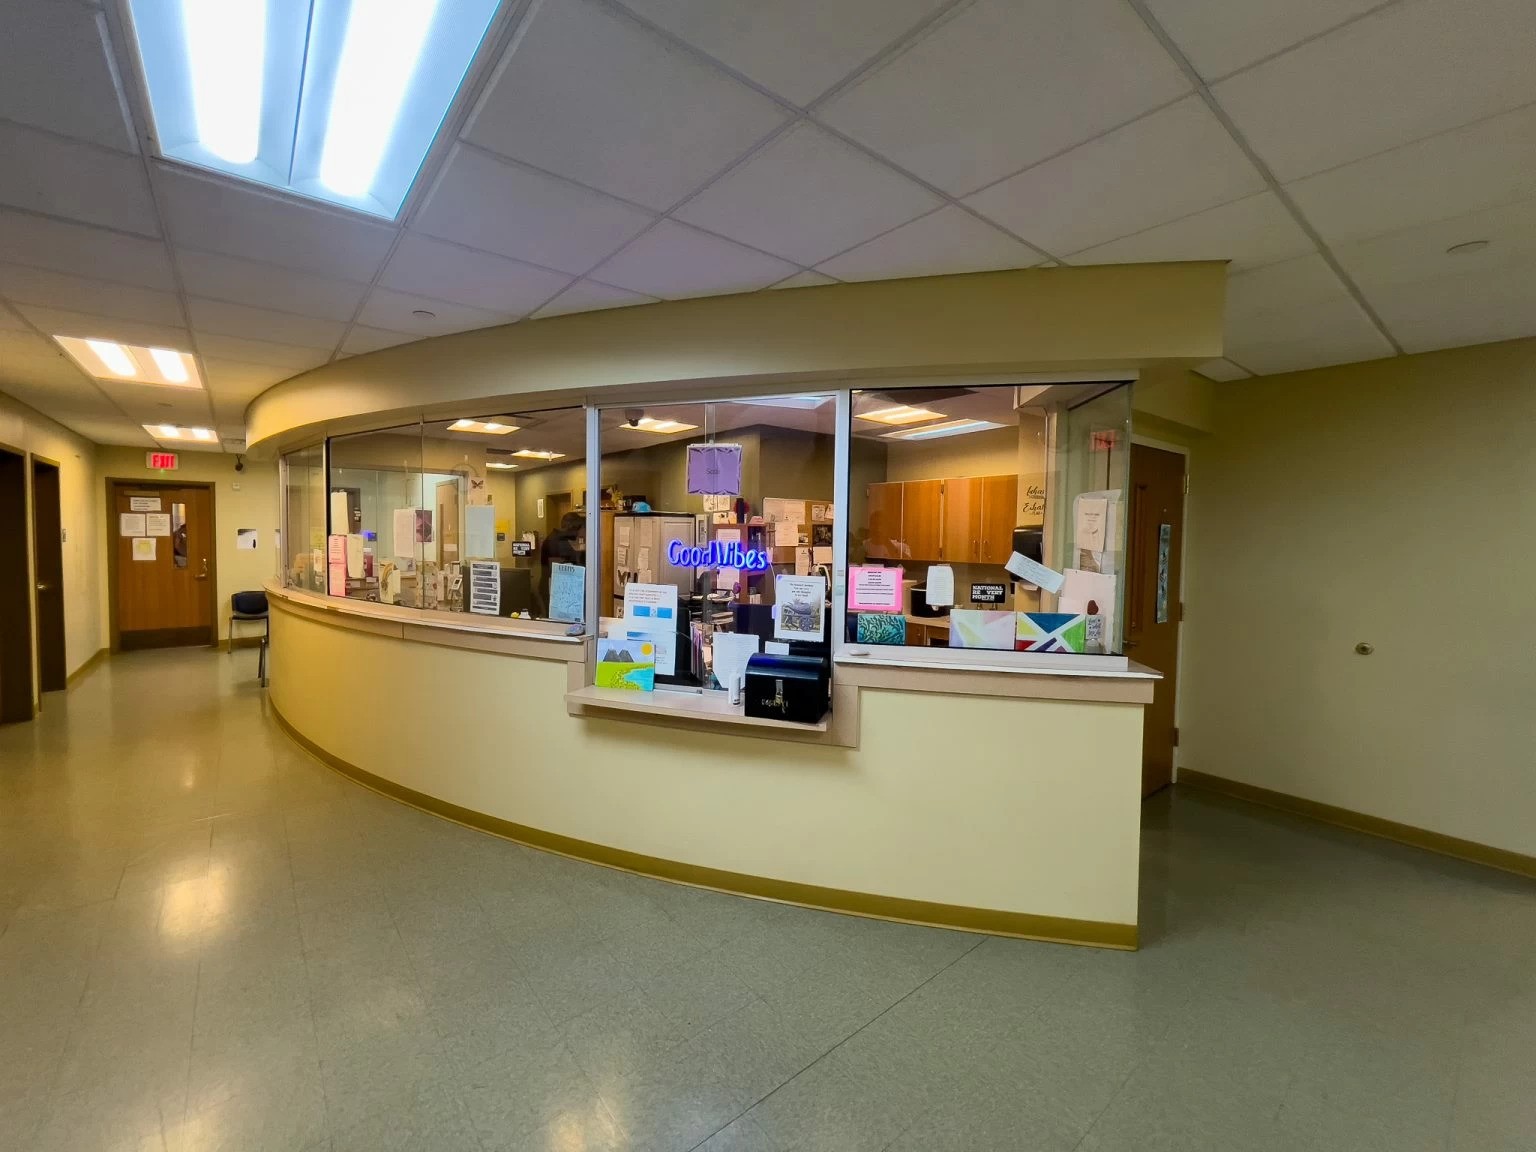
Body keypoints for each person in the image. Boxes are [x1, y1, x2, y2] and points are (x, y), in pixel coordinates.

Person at [538, 512, 585, 613]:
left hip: (554, 587)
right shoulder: (556, 542)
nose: (578, 534)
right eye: (578, 530)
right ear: (572, 527)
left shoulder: (556, 538)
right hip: (555, 588)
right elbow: (558, 570)